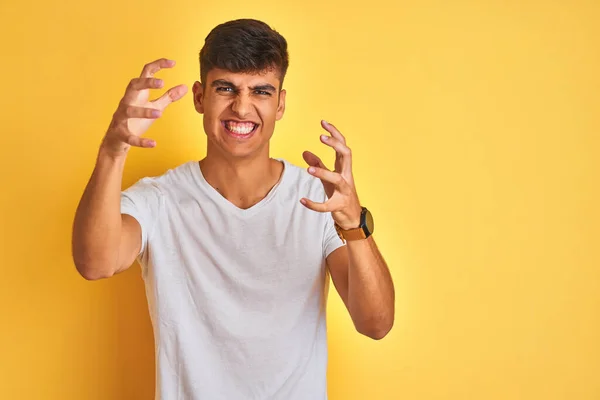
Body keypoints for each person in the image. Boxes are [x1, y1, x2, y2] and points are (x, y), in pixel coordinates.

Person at [72, 18, 395, 400]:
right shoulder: (160, 199)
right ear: (199, 97)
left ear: (280, 104)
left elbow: (375, 323)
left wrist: (352, 223)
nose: (242, 108)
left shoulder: (317, 200)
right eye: (226, 88)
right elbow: (95, 263)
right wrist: (112, 152)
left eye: (261, 91)